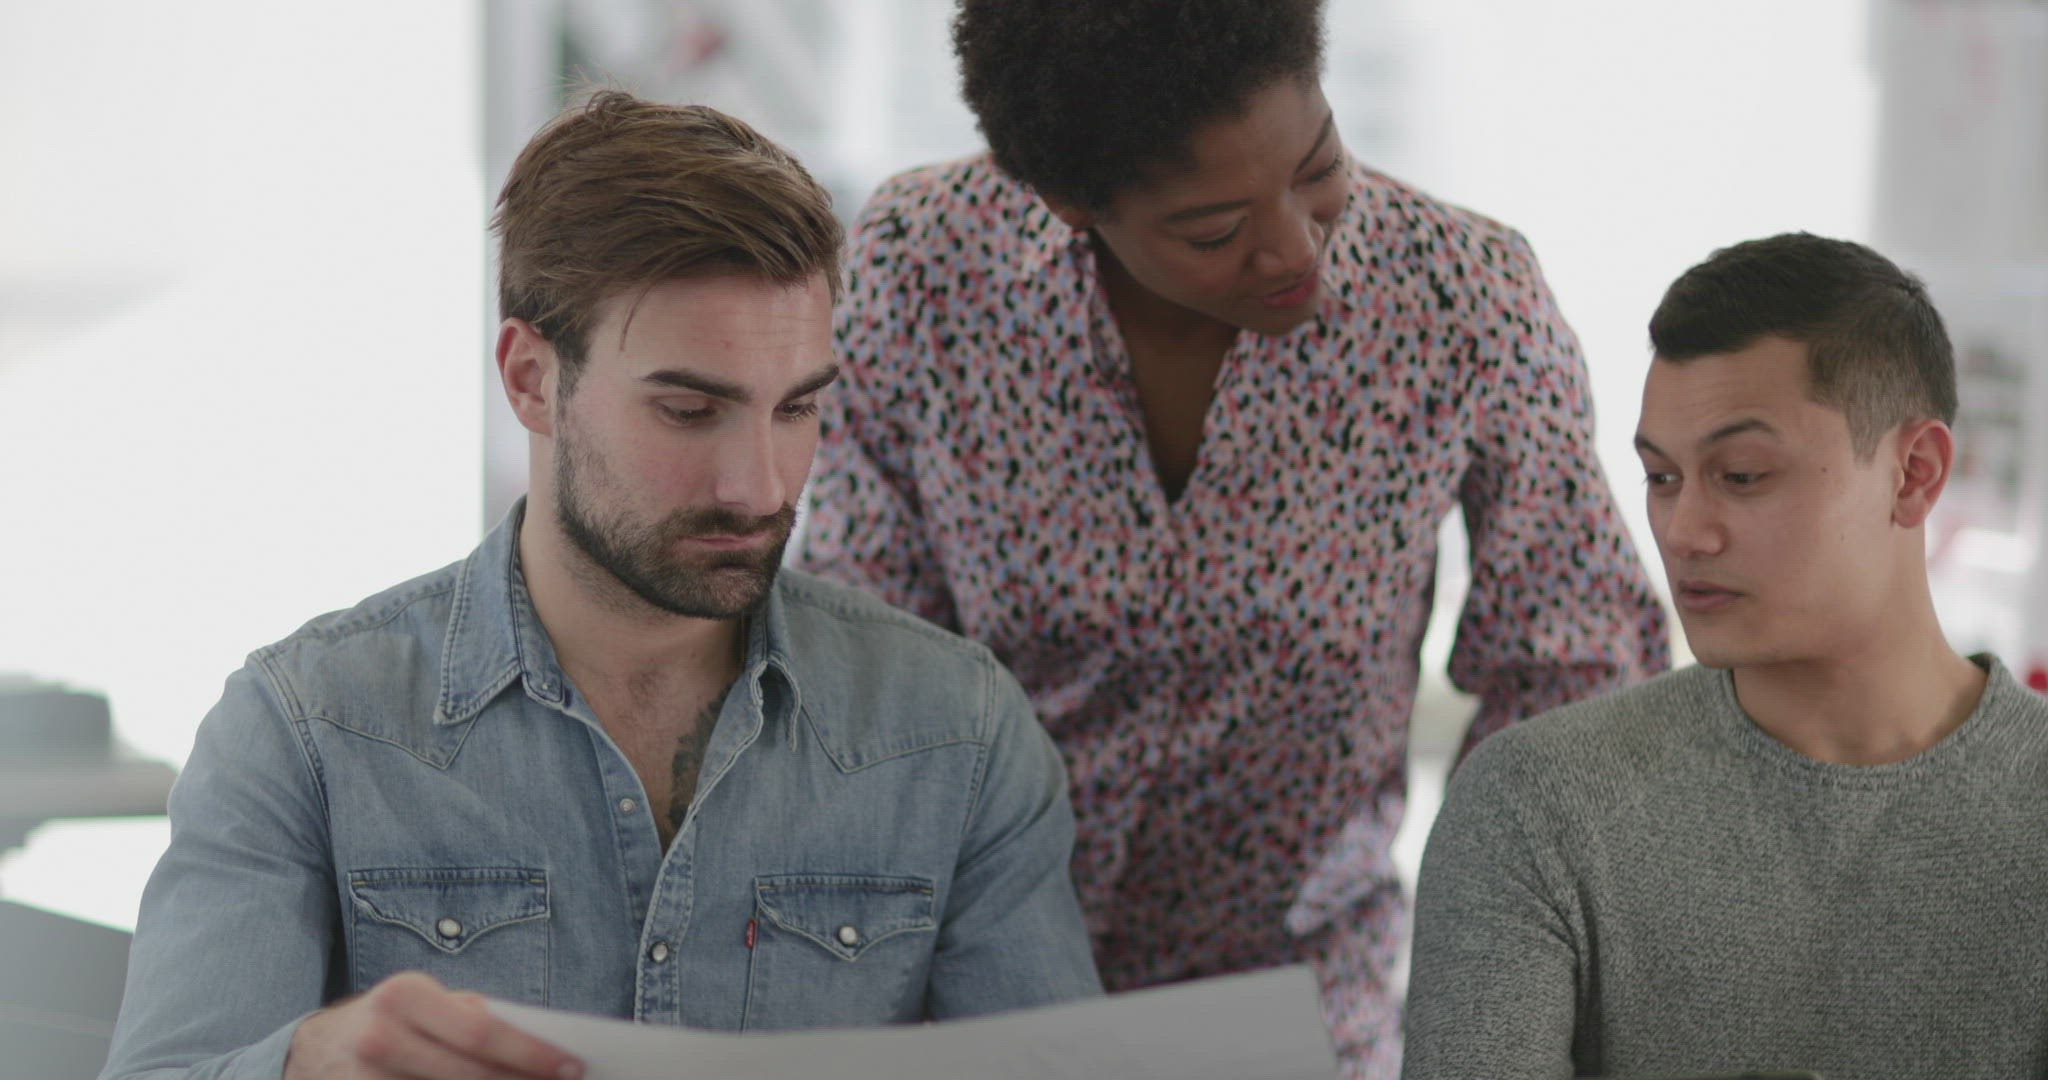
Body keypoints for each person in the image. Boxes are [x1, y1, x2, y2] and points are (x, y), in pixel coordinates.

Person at [98, 92, 1100, 1080]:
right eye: (688, 410)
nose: (758, 486)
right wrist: (301, 1067)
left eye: (795, 409)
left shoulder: (955, 733)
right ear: (531, 380)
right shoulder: (309, 730)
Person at [794, 2, 1668, 1074]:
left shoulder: (1462, 299)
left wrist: (1487, 1001)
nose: (1296, 246)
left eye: (1319, 166)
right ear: (1072, 204)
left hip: (1307, 1002)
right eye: (1212, 230)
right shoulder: (921, 266)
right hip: (972, 989)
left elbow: (1569, 678)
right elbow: (863, 671)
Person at [1402, 232, 2048, 1079]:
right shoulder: (1535, 806)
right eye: (1663, 478)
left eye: (1741, 475)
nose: (1683, 533)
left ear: (1914, 474)